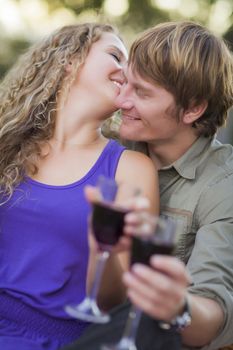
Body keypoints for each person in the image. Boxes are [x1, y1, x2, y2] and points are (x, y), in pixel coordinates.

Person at [62, 21, 233, 350]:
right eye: (125, 82)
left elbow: (214, 312)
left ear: (194, 108)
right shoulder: (112, 146)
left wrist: (177, 306)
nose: (121, 101)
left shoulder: (223, 187)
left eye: (141, 92)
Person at [0, 23, 159, 350]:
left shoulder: (129, 169)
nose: (126, 71)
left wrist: (106, 249)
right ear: (69, 58)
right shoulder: (7, 145)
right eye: (116, 54)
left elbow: (117, 302)